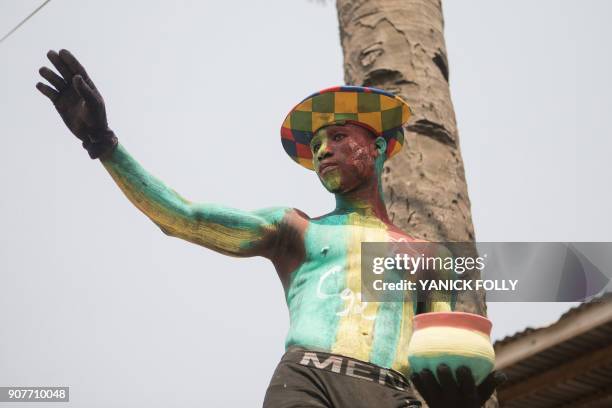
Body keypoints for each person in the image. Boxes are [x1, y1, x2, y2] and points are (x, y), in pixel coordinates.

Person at [36, 49, 505, 408]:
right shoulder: (295, 230)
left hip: (391, 393)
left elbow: (445, 352)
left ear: (378, 147)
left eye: (338, 138)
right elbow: (185, 218)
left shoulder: (430, 258)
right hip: (306, 379)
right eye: (318, 144)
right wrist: (103, 143)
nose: (323, 151)